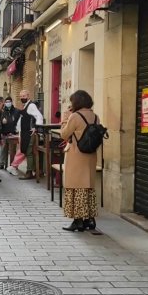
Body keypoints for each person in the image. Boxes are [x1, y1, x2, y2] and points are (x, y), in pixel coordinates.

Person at [59, 90, 99, 232]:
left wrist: (65, 119)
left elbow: (64, 134)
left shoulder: (75, 116)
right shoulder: (95, 116)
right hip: (90, 156)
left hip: (76, 156)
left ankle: (78, 221)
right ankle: (89, 219)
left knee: (75, 186)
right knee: (87, 186)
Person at [17, 89, 44, 180]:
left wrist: (35, 127)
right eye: (21, 96)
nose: (22, 98)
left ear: (28, 96)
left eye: (24, 96)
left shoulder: (31, 105)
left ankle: (29, 172)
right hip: (24, 132)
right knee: (26, 151)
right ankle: (33, 171)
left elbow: (39, 116)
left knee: (29, 152)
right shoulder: (25, 106)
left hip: (29, 132)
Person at [0, 97, 20, 169]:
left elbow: (18, 121)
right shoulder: (2, 111)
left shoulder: (16, 111)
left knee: (12, 149)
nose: (8, 103)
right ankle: (1, 163)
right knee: (3, 148)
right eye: (6, 102)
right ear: (4, 103)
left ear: (12, 102)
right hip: (4, 132)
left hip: (13, 133)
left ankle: (13, 164)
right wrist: (2, 121)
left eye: (9, 101)